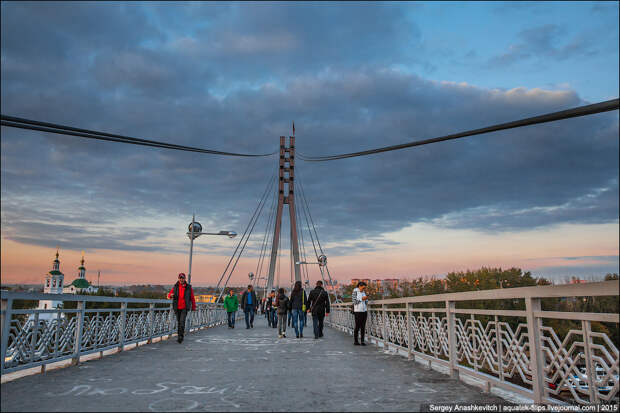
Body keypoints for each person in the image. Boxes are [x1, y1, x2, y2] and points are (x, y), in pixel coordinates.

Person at [167, 273, 196, 343]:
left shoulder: (188, 287)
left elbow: (192, 297)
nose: (181, 279)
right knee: (179, 322)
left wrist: (194, 307)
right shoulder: (175, 286)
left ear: (185, 279)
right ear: (178, 279)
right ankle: (179, 335)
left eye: (183, 278)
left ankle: (180, 336)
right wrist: (171, 295)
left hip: (184, 307)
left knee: (182, 322)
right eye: (180, 278)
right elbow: (169, 295)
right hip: (177, 307)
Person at [352, 281, 369, 345]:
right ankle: (356, 341)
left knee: (363, 327)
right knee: (357, 326)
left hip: (364, 311)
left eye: (364, 288)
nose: (363, 289)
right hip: (358, 311)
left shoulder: (363, 292)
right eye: (363, 288)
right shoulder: (355, 292)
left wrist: (366, 299)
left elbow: (365, 302)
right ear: (359, 286)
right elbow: (354, 302)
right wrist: (362, 299)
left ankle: (362, 341)